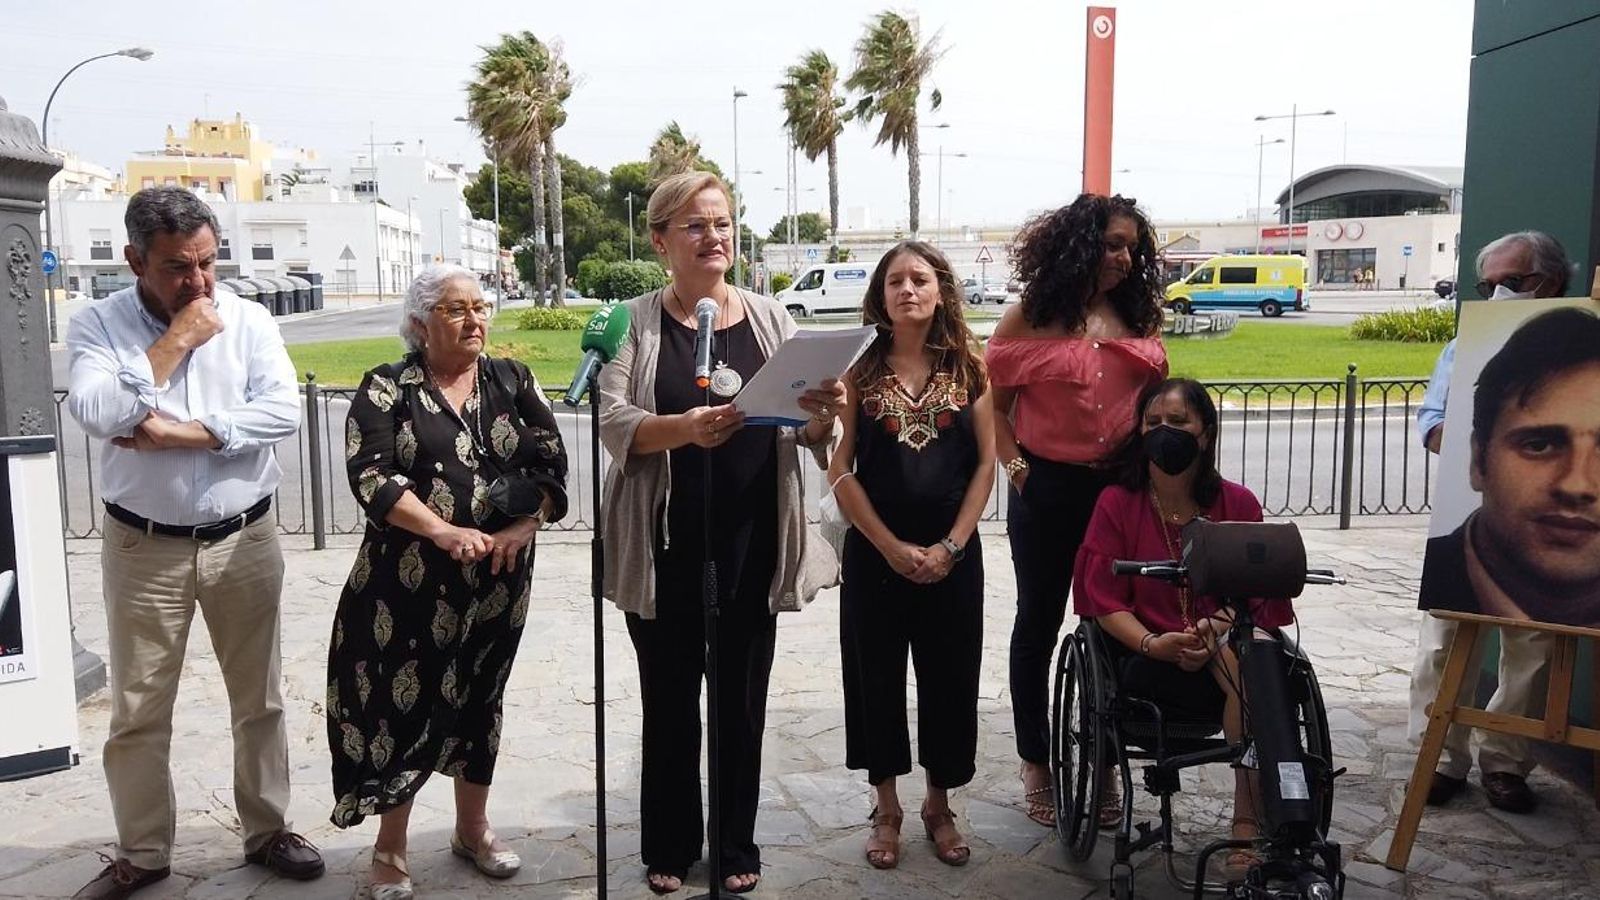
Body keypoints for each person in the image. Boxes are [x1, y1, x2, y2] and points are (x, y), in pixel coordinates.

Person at [65, 186, 323, 899]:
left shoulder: (249, 319)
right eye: (179, 267)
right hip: (144, 547)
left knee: (259, 698)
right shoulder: (99, 325)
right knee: (138, 710)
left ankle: (268, 830)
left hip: (244, 537)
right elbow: (98, 411)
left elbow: (282, 411)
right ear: (135, 261)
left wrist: (185, 433)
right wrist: (176, 340)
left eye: (208, 262)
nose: (200, 282)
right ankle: (144, 851)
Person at [596, 172, 844, 895]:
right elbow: (612, 418)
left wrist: (824, 414)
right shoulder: (631, 322)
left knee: (740, 702)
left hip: (752, 540)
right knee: (670, 701)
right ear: (660, 241)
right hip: (664, 545)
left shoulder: (772, 319)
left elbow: (808, 432)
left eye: (725, 223)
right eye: (697, 225)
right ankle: (670, 844)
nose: (716, 237)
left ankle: (736, 844)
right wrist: (684, 429)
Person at [326, 264, 568, 899]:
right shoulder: (388, 386)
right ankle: (390, 849)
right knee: (399, 705)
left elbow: (551, 464)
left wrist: (523, 527)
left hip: (499, 577)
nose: (474, 319)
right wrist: (440, 530)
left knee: (482, 699)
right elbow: (371, 476)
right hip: (406, 583)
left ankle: (473, 829)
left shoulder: (513, 379)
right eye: (456, 309)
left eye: (480, 307)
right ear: (420, 322)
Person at [985, 193, 1169, 825]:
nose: (1125, 258)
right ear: (1079, 245)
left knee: (1114, 621)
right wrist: (1019, 474)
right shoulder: (1029, 317)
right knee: (1038, 623)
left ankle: (1107, 758)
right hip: (1046, 489)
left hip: (1121, 492)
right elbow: (995, 410)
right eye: (1113, 244)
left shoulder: (1136, 314)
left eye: (1132, 248)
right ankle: (1035, 761)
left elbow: (1155, 401)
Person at [1073, 377, 1294, 871]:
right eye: (1152, 422)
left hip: (1223, 645)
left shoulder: (1237, 504)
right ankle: (1251, 820)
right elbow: (1103, 599)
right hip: (1145, 655)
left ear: (1206, 432)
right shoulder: (1118, 503)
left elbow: (1257, 591)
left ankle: (1246, 820)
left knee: (1253, 666)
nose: (1164, 432)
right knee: (1250, 676)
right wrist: (1154, 643)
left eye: (1177, 421)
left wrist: (1215, 626)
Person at [829, 242, 995, 870]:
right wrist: (889, 547)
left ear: (940, 289)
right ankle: (887, 807)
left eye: (920, 279)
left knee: (949, 678)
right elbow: (840, 468)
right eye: (895, 280)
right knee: (874, 678)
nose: (907, 290)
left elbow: (987, 462)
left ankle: (938, 805)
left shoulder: (971, 367)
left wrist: (952, 545)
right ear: (880, 294)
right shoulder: (857, 369)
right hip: (876, 556)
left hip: (954, 557)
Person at [1409, 231, 1573, 814]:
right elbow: (1431, 417)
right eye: (1490, 284)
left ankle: (1505, 761)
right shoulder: (1466, 345)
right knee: (1443, 642)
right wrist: (1453, 437)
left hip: (1553, 525)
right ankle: (1439, 758)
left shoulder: (1582, 348)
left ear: (1551, 282)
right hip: (1472, 513)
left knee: (1533, 646)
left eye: (1514, 281)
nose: (1500, 293)